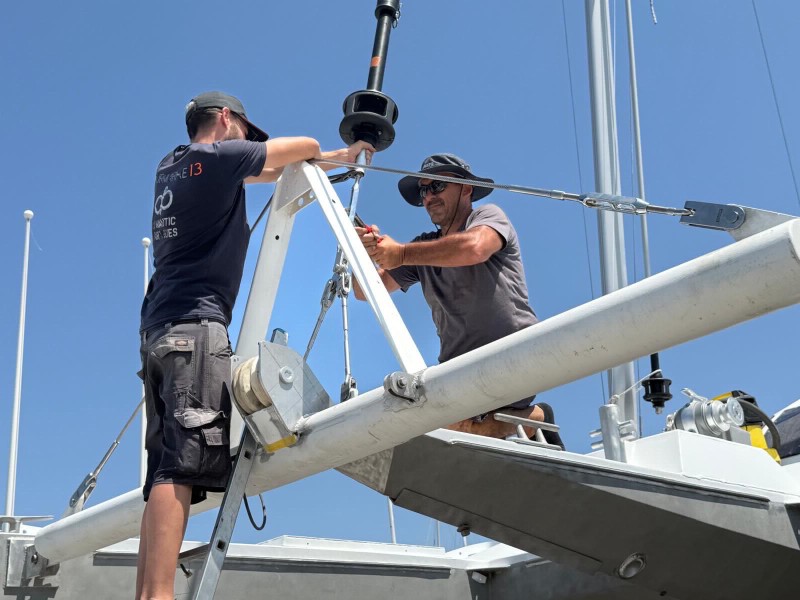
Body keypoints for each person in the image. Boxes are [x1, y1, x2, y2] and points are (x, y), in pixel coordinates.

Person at [137, 90, 374, 600]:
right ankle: (158, 595)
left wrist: (346, 156)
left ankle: (147, 590)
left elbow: (269, 173)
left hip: (158, 328)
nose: (249, 141)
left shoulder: (173, 166)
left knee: (164, 471)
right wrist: (328, 147)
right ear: (226, 119)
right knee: (180, 467)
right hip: (197, 327)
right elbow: (303, 145)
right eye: (246, 131)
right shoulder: (221, 155)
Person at [353, 153, 564, 444]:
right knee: (412, 429)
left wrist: (400, 253)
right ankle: (530, 420)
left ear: (465, 188)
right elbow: (365, 290)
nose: (429, 196)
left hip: (515, 357)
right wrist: (364, 253)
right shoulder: (421, 249)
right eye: (424, 190)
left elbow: (475, 247)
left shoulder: (488, 217)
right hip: (459, 374)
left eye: (437, 185)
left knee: (429, 432)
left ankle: (526, 419)